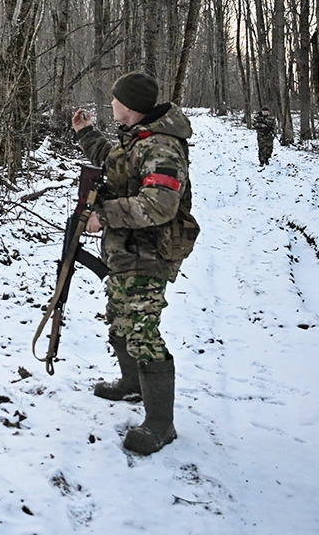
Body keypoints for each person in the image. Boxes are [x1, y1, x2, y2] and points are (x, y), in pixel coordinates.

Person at [70, 71, 196, 455]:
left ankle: (161, 424)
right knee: (120, 317)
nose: (111, 104)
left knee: (143, 332)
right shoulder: (138, 137)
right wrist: (87, 134)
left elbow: (159, 205)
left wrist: (103, 215)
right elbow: (116, 163)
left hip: (150, 252)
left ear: (129, 106)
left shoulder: (161, 147)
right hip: (127, 250)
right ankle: (131, 384)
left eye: (115, 99)